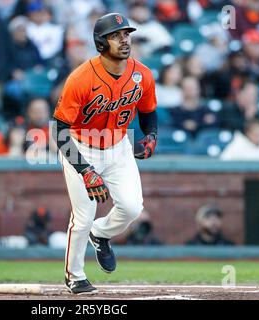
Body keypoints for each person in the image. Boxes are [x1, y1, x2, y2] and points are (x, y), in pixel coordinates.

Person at [53, 13, 157, 294]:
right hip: (81, 147)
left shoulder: (142, 74)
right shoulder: (81, 79)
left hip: (118, 147)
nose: (124, 40)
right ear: (101, 42)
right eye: (116, 35)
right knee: (83, 217)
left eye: (126, 34)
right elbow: (59, 130)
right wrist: (86, 171)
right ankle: (74, 275)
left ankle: (102, 234)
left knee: (133, 207)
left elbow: (148, 113)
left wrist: (151, 136)